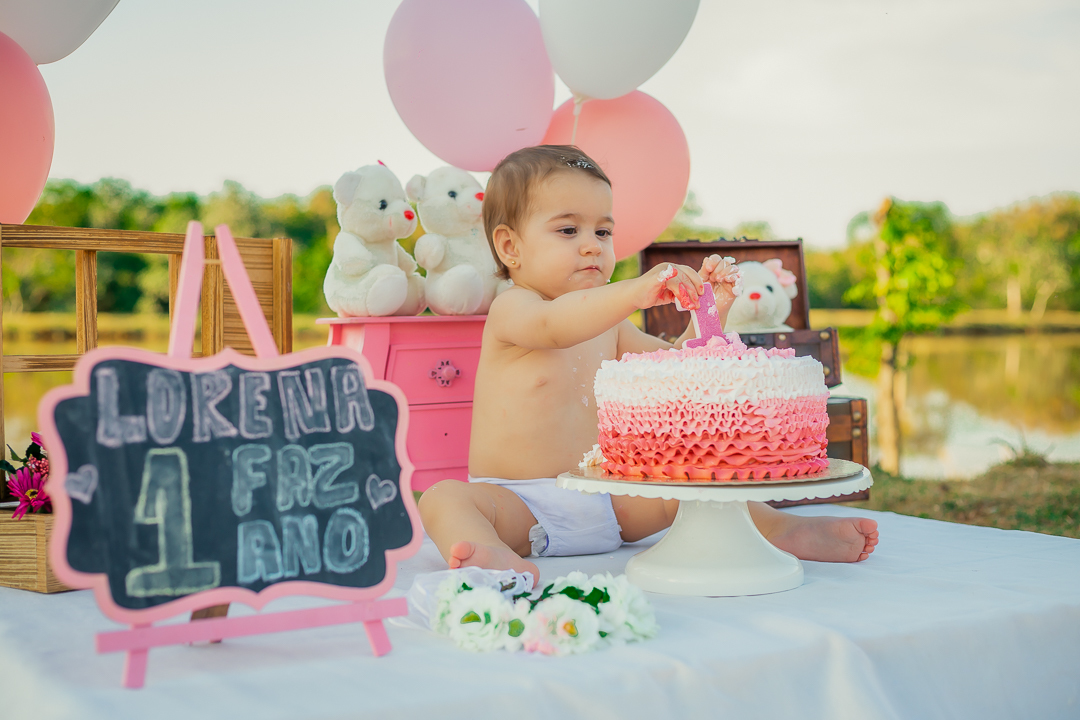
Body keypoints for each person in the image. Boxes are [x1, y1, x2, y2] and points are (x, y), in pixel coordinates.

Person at [418, 145, 878, 585]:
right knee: (444, 498)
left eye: (602, 232)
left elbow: (673, 366)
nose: (591, 247)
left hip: (607, 497)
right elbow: (556, 326)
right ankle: (486, 550)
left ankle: (779, 530)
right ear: (509, 247)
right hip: (519, 503)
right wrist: (635, 291)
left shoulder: (610, 324)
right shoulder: (514, 310)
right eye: (567, 231)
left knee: (694, 486)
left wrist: (709, 315)